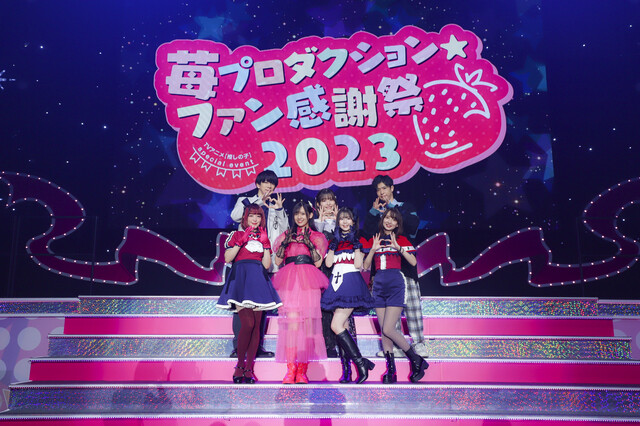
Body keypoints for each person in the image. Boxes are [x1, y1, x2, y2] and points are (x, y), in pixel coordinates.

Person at [217, 204, 283, 383]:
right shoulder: (236, 235)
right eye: (252, 215)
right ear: (245, 217)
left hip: (258, 281)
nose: (255, 219)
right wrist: (241, 240)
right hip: (241, 280)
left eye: (258, 216)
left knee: (256, 327)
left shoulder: (263, 237)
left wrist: (266, 246)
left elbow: (267, 265)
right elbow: (228, 258)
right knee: (248, 323)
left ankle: (248, 369)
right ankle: (239, 366)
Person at [363, 175, 427, 358]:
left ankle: (419, 344)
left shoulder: (405, 207)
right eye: (378, 189)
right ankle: (396, 346)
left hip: (405, 268)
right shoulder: (377, 212)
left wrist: (392, 210)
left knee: (412, 308)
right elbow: (367, 234)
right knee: (391, 311)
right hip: (384, 270)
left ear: (392, 188)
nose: (381, 192)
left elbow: (412, 226)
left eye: (384, 188)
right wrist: (374, 212)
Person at [228, 170, 288, 358]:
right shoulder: (245, 200)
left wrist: (279, 210)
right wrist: (258, 202)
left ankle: (257, 347)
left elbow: (284, 231)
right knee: (241, 306)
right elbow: (235, 216)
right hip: (246, 262)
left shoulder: (275, 205)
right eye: (266, 182)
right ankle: (239, 347)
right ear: (258, 184)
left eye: (272, 183)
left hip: (265, 262)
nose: (269, 186)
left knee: (261, 307)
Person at [272, 201, 329, 384]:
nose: (299, 217)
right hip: (290, 282)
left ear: (310, 215)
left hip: (308, 282)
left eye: (303, 213)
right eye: (297, 213)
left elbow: (318, 263)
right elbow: (278, 260)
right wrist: (286, 243)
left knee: (307, 326)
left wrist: (309, 244)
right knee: (291, 326)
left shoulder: (317, 236)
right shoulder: (287, 234)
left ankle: (302, 371)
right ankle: (291, 370)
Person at [321, 207, 375, 384]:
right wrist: (332, 247)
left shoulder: (357, 239)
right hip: (336, 282)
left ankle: (361, 363)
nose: (345, 222)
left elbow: (359, 265)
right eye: (342, 219)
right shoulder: (334, 240)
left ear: (353, 221)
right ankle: (348, 371)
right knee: (343, 328)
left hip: (350, 281)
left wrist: (357, 248)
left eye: (348, 218)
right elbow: (329, 264)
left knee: (336, 325)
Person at [313, 188, 358, 358]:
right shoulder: (314, 224)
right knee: (325, 308)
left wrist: (338, 222)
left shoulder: (344, 222)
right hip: (322, 270)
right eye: (324, 200)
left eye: (330, 199)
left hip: (341, 270)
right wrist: (320, 224)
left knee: (342, 310)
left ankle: (349, 348)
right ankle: (329, 345)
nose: (328, 203)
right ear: (318, 204)